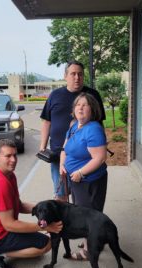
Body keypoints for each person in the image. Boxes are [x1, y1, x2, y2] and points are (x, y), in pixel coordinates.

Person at [0, 139, 63, 268]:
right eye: (8, 156)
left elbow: (19, 205)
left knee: (38, 245)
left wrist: (46, 207)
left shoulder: (9, 175)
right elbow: (10, 225)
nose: (13, 159)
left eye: (15, 155)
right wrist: (44, 227)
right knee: (46, 245)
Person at [40, 60, 106, 201]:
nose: (77, 77)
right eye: (73, 74)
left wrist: (100, 147)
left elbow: (100, 123)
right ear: (66, 76)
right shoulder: (55, 95)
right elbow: (47, 121)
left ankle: (78, 221)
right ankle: (64, 223)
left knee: (81, 198)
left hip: (85, 158)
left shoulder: (93, 95)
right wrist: (42, 147)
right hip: (59, 155)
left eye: (80, 74)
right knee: (61, 195)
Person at [60, 92, 108, 260]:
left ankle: (88, 251)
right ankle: (92, 240)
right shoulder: (75, 126)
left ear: (92, 109)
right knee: (82, 212)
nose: (80, 107)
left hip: (89, 181)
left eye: (84, 105)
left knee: (89, 216)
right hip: (76, 181)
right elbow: (65, 149)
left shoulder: (93, 129)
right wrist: (62, 164)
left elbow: (100, 158)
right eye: (78, 104)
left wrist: (80, 172)